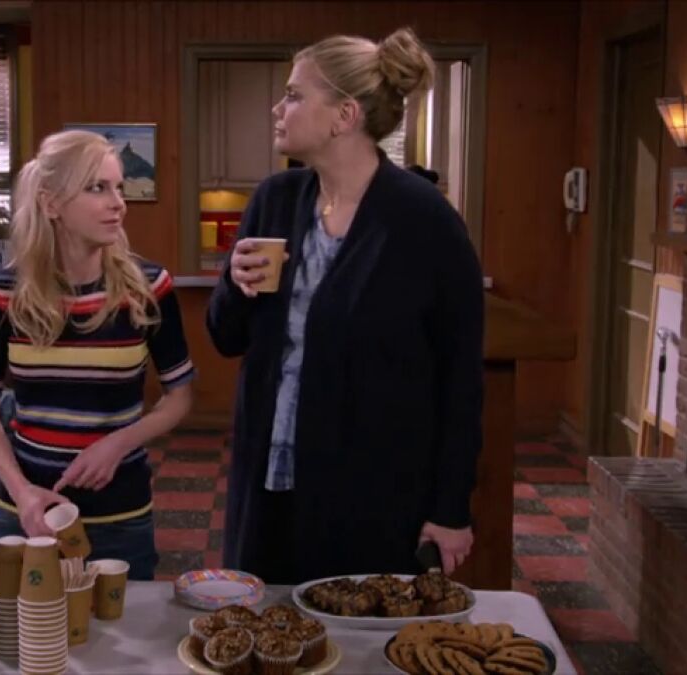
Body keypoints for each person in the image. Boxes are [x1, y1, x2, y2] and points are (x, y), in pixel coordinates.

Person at [206, 28, 484, 583]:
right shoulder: (274, 201)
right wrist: (233, 284)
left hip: (370, 495)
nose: (277, 108)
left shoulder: (424, 221)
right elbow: (225, 337)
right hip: (267, 486)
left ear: (345, 115)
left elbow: (461, 381)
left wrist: (451, 508)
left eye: (293, 95)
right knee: (261, 626)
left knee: (354, 629)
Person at [0, 130, 194, 580]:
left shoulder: (148, 288)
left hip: (120, 515)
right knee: (17, 626)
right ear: (51, 204)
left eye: (119, 188)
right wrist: (23, 493)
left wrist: (119, 443)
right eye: (98, 188)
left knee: (125, 627)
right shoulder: (3, 293)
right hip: (28, 514)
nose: (118, 203)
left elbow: (180, 397)